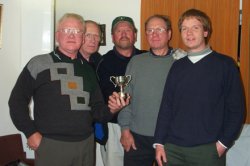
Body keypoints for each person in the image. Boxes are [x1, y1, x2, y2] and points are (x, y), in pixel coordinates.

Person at [8, 13, 127, 166]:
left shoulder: (88, 70)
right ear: (58, 35)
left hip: (86, 145)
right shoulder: (39, 63)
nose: (72, 35)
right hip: (52, 145)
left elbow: (97, 112)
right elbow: (16, 101)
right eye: (66, 30)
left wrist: (112, 109)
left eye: (77, 31)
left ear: (82, 37)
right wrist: (30, 132)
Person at [154, 9, 245, 166]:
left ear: (205, 31)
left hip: (208, 151)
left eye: (195, 27)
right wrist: (159, 143)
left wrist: (223, 144)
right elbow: (166, 106)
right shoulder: (177, 67)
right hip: (173, 149)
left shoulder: (225, 65)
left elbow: (236, 109)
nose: (189, 33)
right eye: (184, 28)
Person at [117, 15, 186, 166]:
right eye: (150, 30)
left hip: (171, 139)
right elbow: (125, 96)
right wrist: (125, 129)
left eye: (159, 29)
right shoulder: (136, 61)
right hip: (137, 138)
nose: (154, 34)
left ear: (169, 34)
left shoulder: (181, 62)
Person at [97, 16, 147, 166]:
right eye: (119, 31)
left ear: (135, 35)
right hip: (114, 127)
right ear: (112, 36)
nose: (124, 34)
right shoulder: (102, 62)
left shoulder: (147, 58)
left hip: (143, 126)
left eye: (128, 30)